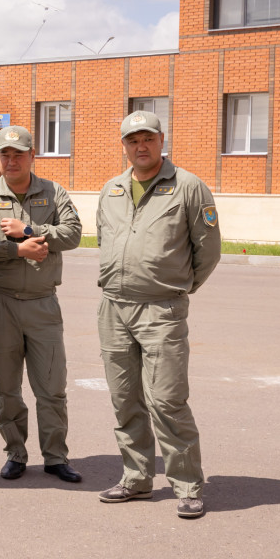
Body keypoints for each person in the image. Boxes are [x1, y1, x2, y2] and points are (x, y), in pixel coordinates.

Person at [96, 110, 221, 519]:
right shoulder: (112, 189)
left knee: (167, 399)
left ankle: (187, 484)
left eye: (148, 138)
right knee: (124, 399)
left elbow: (208, 250)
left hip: (161, 309)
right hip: (114, 307)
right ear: (124, 146)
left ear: (161, 139)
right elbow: (106, 239)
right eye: (133, 140)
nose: (141, 146)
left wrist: (178, 290)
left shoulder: (187, 187)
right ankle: (136, 478)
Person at [0, 126, 83, 483]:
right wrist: (17, 249)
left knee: (52, 387)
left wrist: (31, 230)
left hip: (42, 304)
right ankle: (16, 452)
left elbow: (72, 234)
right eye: (4, 154)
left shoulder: (53, 192)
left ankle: (55, 456)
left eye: (18, 153)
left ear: (31, 155)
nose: (11, 160)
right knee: (6, 388)